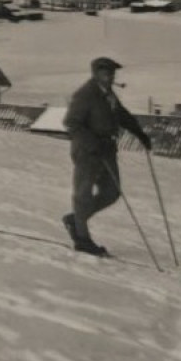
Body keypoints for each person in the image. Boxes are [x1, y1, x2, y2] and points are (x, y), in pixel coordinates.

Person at [61, 56, 152, 256]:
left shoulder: (108, 94)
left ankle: (75, 219)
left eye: (112, 73)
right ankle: (82, 239)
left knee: (112, 192)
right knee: (82, 195)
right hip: (87, 152)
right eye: (106, 72)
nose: (110, 76)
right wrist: (93, 143)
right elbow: (71, 123)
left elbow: (121, 115)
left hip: (107, 150)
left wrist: (139, 133)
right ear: (96, 73)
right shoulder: (85, 94)